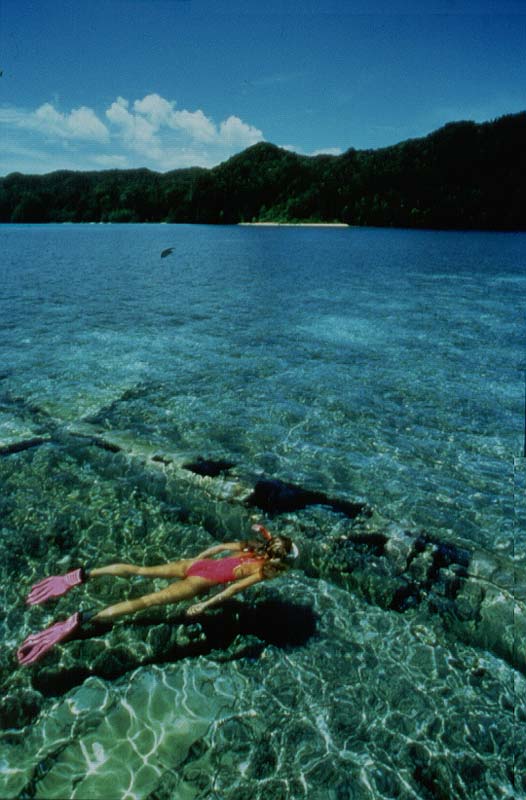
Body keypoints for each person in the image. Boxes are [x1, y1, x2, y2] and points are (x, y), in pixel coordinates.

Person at [16, 524, 298, 666]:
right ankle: (81, 618)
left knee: (141, 569)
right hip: (199, 582)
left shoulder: (252, 546)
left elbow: (219, 547)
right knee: (145, 602)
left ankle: (80, 575)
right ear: (278, 561)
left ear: (269, 544)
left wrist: (199, 557)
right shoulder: (261, 570)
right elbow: (233, 589)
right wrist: (205, 604)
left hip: (195, 565)